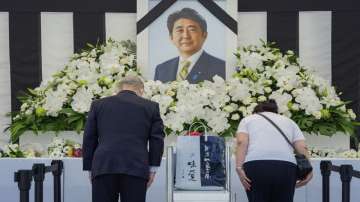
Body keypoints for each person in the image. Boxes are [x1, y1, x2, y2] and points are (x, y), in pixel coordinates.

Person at [82, 75, 165, 202]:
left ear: (118, 89)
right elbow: (157, 140)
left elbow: (89, 138)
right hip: (136, 166)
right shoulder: (151, 107)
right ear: (141, 90)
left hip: (104, 165)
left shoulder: (98, 105)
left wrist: (89, 168)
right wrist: (153, 169)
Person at [235, 99, 313, 202]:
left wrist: (239, 168)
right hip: (286, 167)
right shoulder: (289, 121)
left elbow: (241, 142)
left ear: (256, 111)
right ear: (276, 111)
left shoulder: (248, 120)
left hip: (256, 165)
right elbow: (302, 147)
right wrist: (309, 170)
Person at [154, 7, 225, 84]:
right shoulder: (161, 69)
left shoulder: (222, 67)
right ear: (171, 37)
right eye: (180, 30)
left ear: (204, 35)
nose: (186, 36)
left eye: (192, 30)